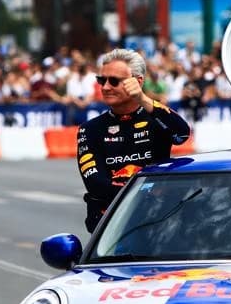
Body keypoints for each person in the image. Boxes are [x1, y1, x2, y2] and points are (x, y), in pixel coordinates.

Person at [76, 48, 191, 232]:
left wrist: (143, 99)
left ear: (137, 81)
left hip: (160, 223)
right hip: (112, 230)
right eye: (102, 80)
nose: (105, 87)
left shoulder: (156, 118)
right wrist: (151, 191)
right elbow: (96, 184)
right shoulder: (89, 129)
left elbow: (182, 134)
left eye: (114, 81)